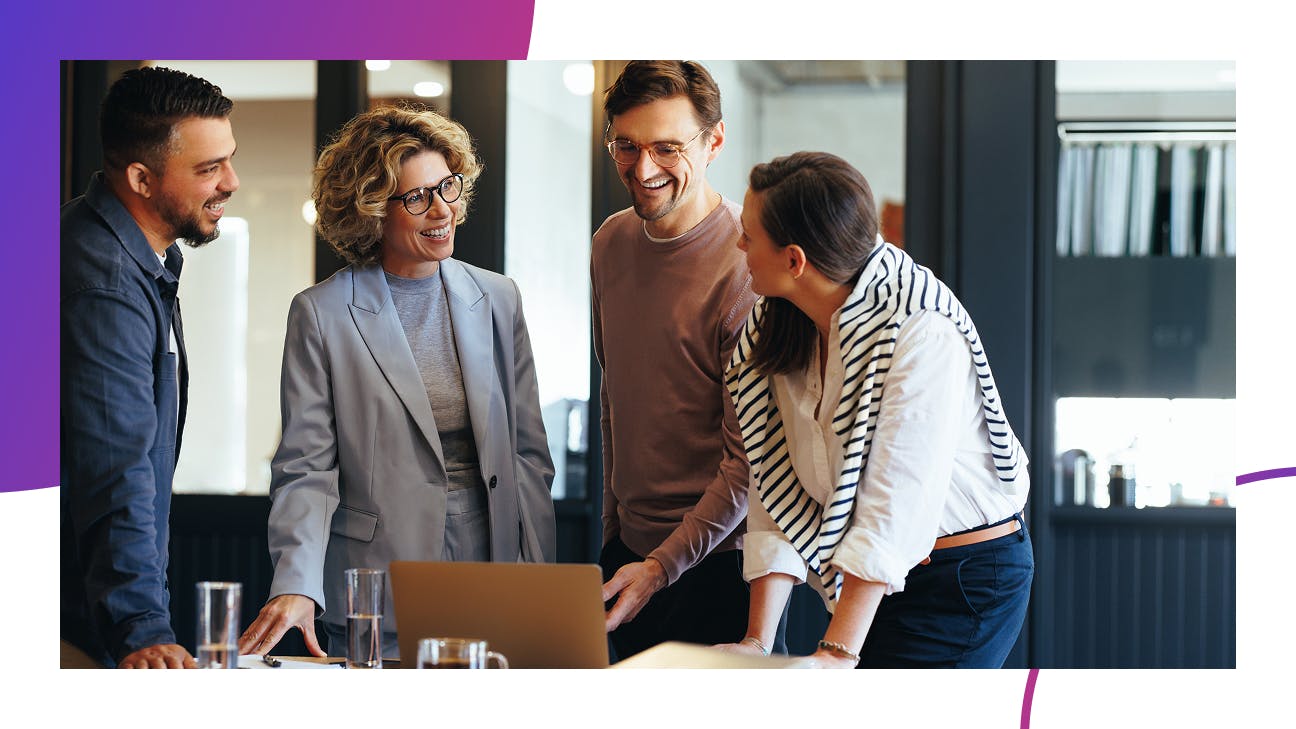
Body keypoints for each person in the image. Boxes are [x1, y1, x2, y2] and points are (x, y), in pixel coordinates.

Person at [238, 105, 556, 660]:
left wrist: (539, 581)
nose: (442, 211)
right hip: (375, 583)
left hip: (493, 571)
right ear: (371, 211)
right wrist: (296, 581)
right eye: (416, 198)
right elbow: (305, 468)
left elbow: (529, 456)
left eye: (448, 187)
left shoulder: (498, 297)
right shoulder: (322, 313)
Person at [719, 151, 1033, 668]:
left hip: (964, 578)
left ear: (794, 260)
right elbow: (774, 481)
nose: (739, 244)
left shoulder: (920, 329)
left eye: (749, 235)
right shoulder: (778, 322)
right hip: (873, 581)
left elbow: (896, 503)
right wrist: (756, 641)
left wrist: (836, 654)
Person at [61, 66, 240, 668]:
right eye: (208, 168)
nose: (231, 182)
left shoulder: (136, 260)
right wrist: (142, 628)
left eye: (229, 160)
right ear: (140, 177)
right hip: (78, 626)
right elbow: (115, 465)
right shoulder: (105, 281)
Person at [592, 60, 763, 659]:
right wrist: (616, 538)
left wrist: (662, 566)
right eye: (626, 146)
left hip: (720, 569)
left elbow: (749, 464)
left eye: (667, 147)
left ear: (714, 141)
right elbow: (615, 399)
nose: (643, 170)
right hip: (626, 559)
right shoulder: (610, 242)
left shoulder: (748, 265)